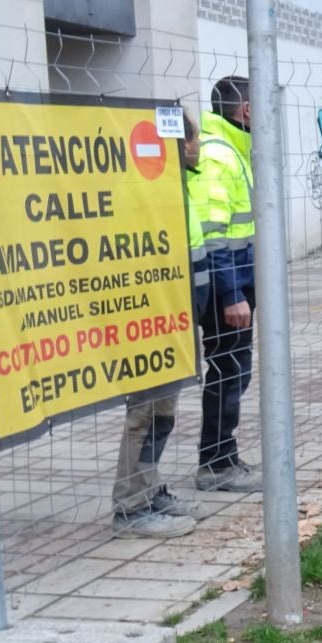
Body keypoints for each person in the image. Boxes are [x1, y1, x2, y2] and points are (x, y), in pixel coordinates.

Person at [109, 110, 202, 536]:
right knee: (143, 411)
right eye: (192, 141)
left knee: (163, 412)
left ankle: (148, 489)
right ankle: (129, 506)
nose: (197, 149)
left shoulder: (179, 185)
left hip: (174, 318)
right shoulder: (139, 190)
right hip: (147, 319)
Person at [192, 75, 264, 493]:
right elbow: (215, 233)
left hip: (236, 284)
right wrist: (231, 295)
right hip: (227, 290)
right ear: (247, 111)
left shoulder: (231, 149)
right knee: (227, 371)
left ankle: (224, 454)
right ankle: (215, 463)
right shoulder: (219, 155)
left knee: (235, 371)